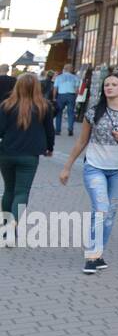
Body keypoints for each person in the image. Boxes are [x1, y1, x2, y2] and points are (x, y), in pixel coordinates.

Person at [58, 71, 118, 274]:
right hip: (94, 167)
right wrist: (67, 167)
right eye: (107, 84)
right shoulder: (94, 112)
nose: (109, 87)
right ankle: (91, 256)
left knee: (109, 214)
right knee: (101, 209)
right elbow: (82, 141)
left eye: (114, 84)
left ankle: (98, 253)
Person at [0, 73, 56, 236]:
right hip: (30, 155)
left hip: (6, 152)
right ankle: (12, 227)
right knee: (22, 192)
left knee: (9, 189)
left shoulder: (6, 105)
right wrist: (49, 148)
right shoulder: (43, 106)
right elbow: (49, 131)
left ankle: (5, 224)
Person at [54, 64, 80, 136]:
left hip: (61, 96)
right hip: (71, 95)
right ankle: (70, 129)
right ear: (70, 69)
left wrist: (54, 97)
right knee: (70, 113)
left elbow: (55, 88)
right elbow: (77, 89)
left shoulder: (58, 77)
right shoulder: (75, 77)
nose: (73, 69)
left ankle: (58, 130)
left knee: (59, 113)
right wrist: (75, 97)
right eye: (72, 68)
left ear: (64, 69)